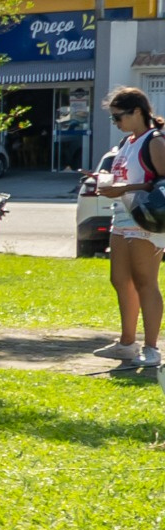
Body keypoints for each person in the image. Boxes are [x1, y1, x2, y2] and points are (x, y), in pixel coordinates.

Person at [96, 86, 163, 367]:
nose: (115, 123)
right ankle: (126, 343)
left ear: (137, 111)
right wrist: (105, 180)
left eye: (118, 117)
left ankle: (151, 348)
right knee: (120, 279)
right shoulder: (127, 142)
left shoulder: (155, 141)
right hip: (122, 215)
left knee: (145, 281)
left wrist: (125, 188)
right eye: (112, 118)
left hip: (146, 217)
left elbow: (160, 182)